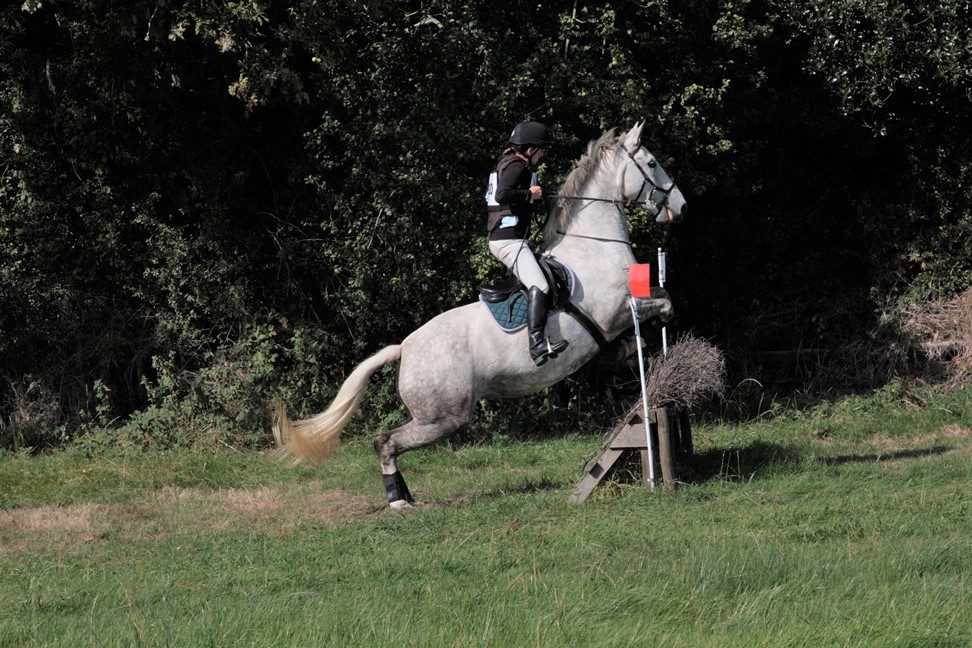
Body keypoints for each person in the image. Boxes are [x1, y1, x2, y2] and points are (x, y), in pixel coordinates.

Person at [485, 120, 569, 367]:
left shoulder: (508, 162)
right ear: (530, 150)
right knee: (539, 285)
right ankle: (537, 345)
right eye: (541, 151)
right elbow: (502, 194)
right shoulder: (517, 166)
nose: (542, 157)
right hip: (507, 241)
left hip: (508, 238)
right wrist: (529, 194)